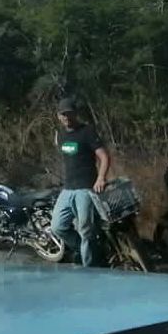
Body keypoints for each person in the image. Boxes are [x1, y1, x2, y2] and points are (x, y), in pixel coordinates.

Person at [50, 97, 111, 267]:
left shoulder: (87, 132)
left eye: (69, 113)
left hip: (86, 189)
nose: (66, 117)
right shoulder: (60, 135)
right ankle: (84, 249)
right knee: (57, 227)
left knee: (85, 229)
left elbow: (104, 157)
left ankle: (89, 268)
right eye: (63, 114)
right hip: (68, 188)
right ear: (58, 116)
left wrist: (101, 177)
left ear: (75, 114)